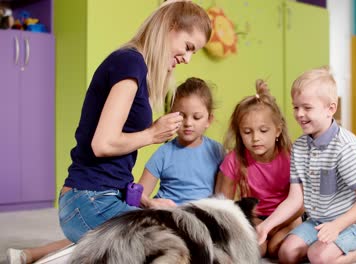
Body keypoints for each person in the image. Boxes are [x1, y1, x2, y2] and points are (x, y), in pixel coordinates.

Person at [6, 1, 211, 263]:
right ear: (170, 27)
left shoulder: (136, 67)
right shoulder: (130, 63)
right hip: (88, 200)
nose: (187, 58)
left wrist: (148, 202)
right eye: (188, 46)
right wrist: (151, 134)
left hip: (98, 198)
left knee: (169, 228)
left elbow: (114, 167)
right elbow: (102, 144)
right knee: (170, 245)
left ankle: (57, 253)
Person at [256, 66, 356, 264]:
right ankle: (327, 248)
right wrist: (266, 226)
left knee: (318, 257)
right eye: (296, 107)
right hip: (319, 220)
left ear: (331, 108)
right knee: (286, 255)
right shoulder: (300, 146)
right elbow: (296, 198)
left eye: (307, 107)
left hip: (354, 223)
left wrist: (337, 226)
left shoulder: (346, 147)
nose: (299, 114)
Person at [215, 80, 303, 258]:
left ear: (277, 130)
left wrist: (273, 225)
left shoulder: (291, 156)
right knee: (258, 250)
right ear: (239, 133)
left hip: (288, 219)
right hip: (255, 218)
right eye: (247, 132)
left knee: (276, 249)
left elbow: (301, 204)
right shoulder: (234, 159)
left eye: (263, 130)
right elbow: (223, 204)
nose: (255, 138)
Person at [139, 77, 224, 208]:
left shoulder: (217, 152)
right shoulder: (163, 153)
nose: (188, 123)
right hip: (168, 219)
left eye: (196, 117)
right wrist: (150, 203)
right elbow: (138, 194)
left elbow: (223, 198)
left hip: (202, 220)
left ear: (209, 120)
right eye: (181, 116)